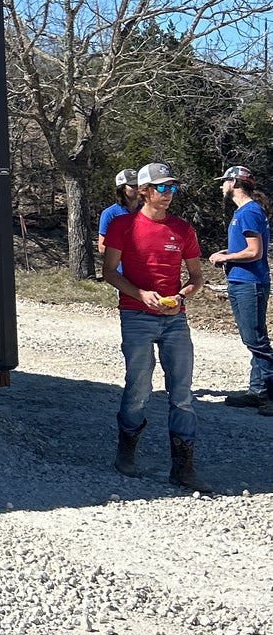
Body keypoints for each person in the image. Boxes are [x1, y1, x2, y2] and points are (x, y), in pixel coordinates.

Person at [101, 161, 211, 489]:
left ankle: (183, 467)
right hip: (135, 316)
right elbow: (109, 271)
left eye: (172, 188)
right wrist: (140, 294)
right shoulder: (123, 226)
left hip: (174, 318)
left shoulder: (182, 229)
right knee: (138, 387)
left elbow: (196, 277)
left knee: (182, 393)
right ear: (145, 191)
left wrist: (180, 296)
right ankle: (127, 451)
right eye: (162, 188)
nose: (169, 194)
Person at [209, 164, 273, 415]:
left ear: (235, 183)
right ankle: (257, 391)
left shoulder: (248, 212)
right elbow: (247, 248)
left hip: (250, 283)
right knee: (253, 339)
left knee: (255, 340)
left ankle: (269, 393)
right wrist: (227, 253)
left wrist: (226, 258)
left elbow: (255, 252)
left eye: (225, 181)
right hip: (240, 281)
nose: (222, 186)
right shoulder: (245, 212)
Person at [97, 168, 140, 256]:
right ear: (123, 189)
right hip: (120, 269)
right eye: (133, 185)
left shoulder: (147, 211)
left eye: (139, 185)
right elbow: (102, 247)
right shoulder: (110, 213)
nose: (138, 188)